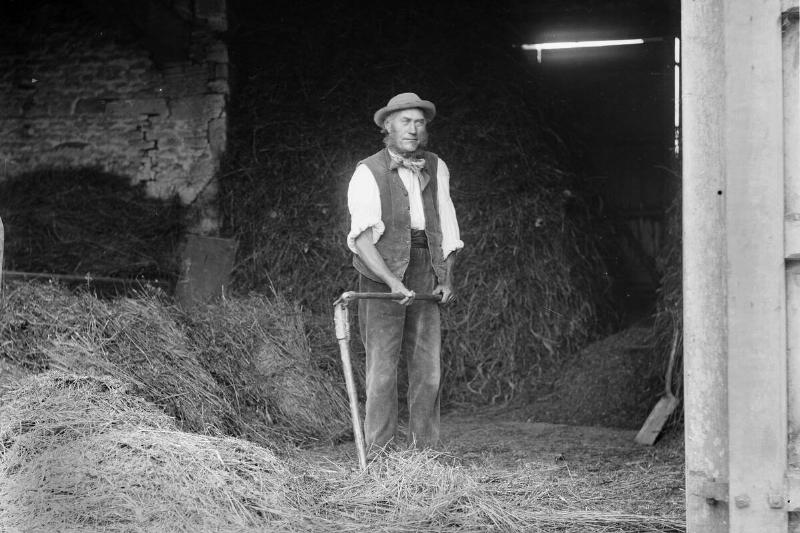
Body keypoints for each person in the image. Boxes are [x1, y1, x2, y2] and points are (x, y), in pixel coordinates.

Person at [346, 92, 464, 451]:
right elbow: (364, 242)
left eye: (419, 122)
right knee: (382, 372)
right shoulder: (367, 171)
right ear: (387, 125)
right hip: (380, 273)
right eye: (405, 121)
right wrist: (392, 281)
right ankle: (379, 458)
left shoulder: (436, 166)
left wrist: (446, 277)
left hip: (425, 267)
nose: (413, 129)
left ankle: (423, 457)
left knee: (428, 371)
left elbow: (447, 225)